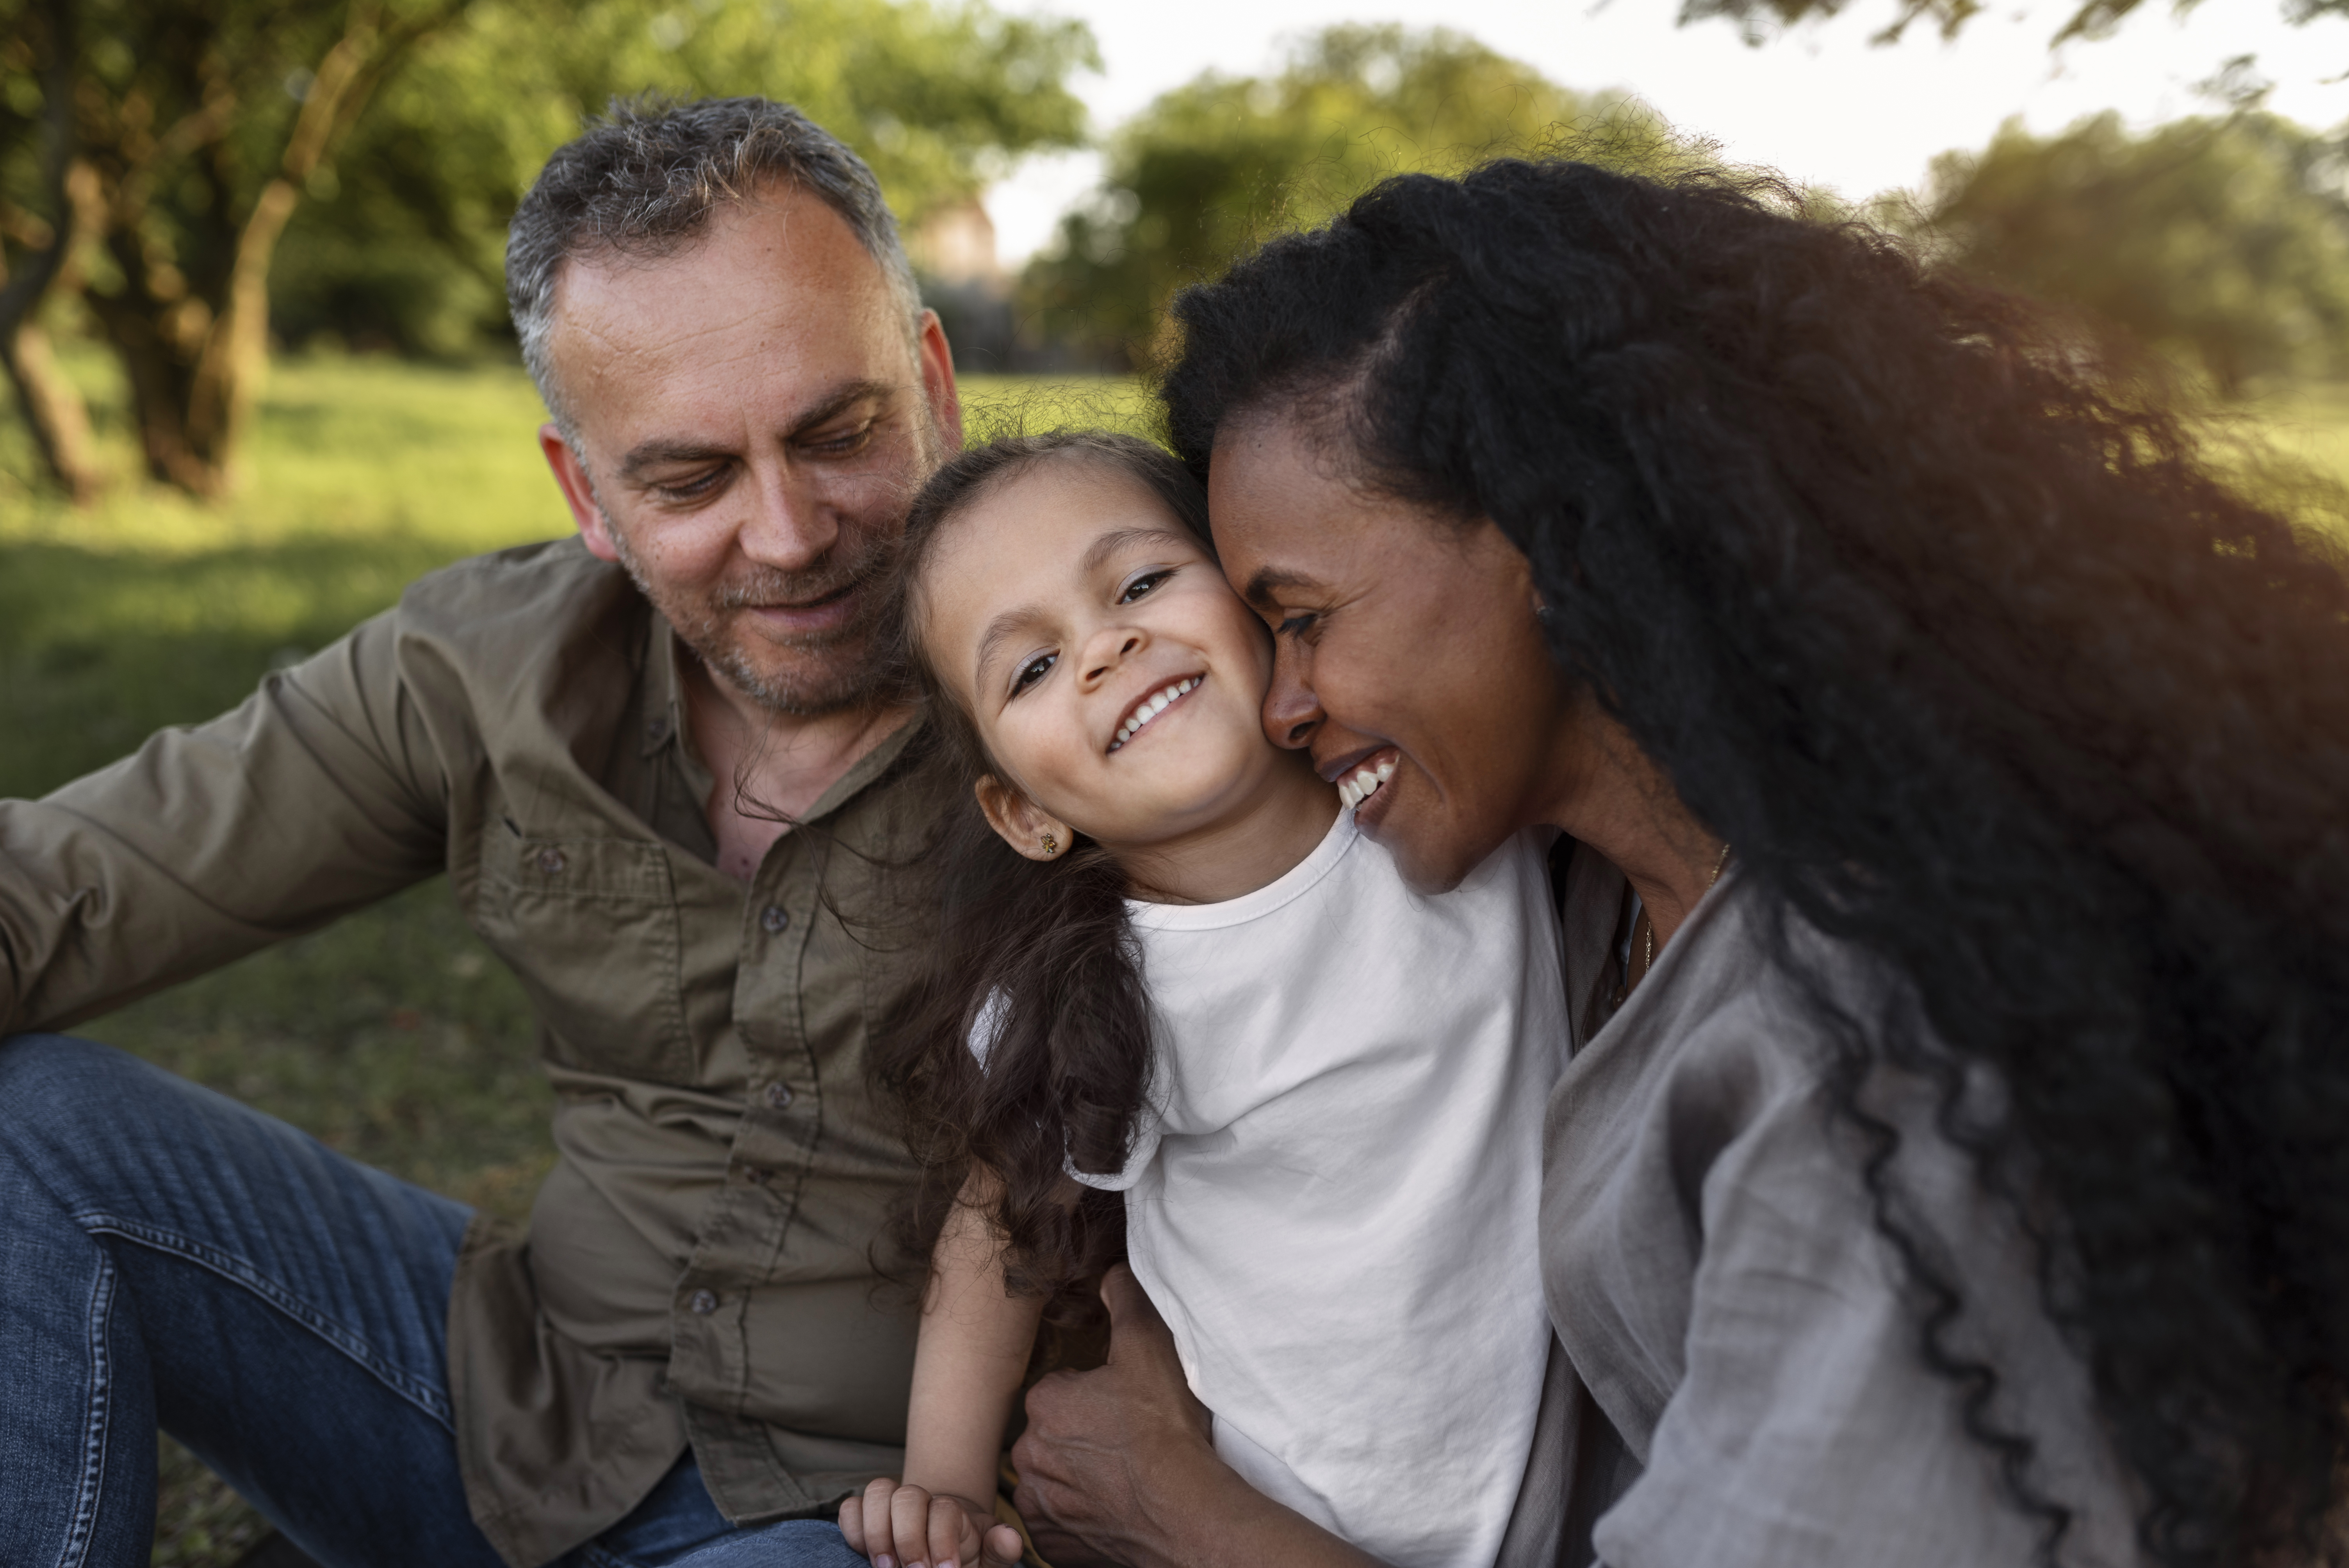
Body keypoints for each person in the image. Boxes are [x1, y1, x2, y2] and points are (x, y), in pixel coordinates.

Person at [1004, 159, 2349, 1568]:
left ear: (1551, 538)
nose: (1282, 706)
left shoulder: (1880, 1052)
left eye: (1305, 618)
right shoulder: (1580, 890)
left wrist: (1182, 1511)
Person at [0, 98, 962, 1568]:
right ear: (588, 492)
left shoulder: (1121, 668)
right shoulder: (483, 671)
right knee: (33, 1135)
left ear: (935, 386)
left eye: (839, 435)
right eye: (690, 479)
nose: (785, 534)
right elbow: (68, 887)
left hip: (870, 1520)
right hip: (510, 1412)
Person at [825, 431, 1567, 1568]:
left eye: (1140, 582)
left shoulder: (1438, 775)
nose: (1105, 647)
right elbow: (998, 1231)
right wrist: (948, 1484)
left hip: (1558, 1502)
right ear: (1025, 814)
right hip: (1270, 1521)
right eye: (1030, 668)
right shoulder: (1099, 987)